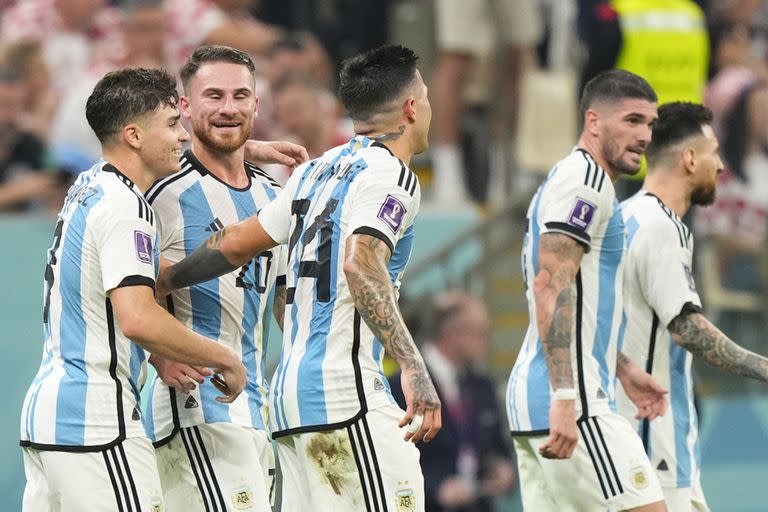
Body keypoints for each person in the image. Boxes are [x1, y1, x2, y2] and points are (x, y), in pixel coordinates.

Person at [156, 44, 442, 511]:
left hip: (287, 401)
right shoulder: (393, 175)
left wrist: (166, 281)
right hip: (347, 394)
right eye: (425, 96)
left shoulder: (312, 172)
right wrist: (411, 364)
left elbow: (232, 245)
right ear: (413, 108)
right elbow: (360, 263)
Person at [18, 67, 248, 511]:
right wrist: (221, 356)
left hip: (49, 417)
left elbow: (129, 278)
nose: (182, 136)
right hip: (95, 421)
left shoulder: (89, 186)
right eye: (171, 124)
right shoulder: (127, 207)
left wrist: (161, 353)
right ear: (134, 136)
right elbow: (137, 316)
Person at [506, 69, 669, 512]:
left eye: (650, 124)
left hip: (540, 398)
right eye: (632, 121)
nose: (645, 136)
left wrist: (620, 365)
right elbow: (549, 286)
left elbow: (571, 297)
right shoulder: (586, 184)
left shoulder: (569, 178)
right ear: (593, 121)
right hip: (571, 402)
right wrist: (565, 399)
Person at [143, 44, 290, 512]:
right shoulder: (160, 193)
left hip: (255, 408)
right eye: (214, 96)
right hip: (193, 407)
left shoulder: (274, 194)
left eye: (240, 95)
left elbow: (283, 301)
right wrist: (157, 354)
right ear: (185, 107)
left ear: (256, 105)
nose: (229, 108)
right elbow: (122, 284)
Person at [617, 101, 768, 511]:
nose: (720, 165)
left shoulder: (625, 216)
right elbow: (689, 330)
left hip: (625, 433)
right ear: (689, 158)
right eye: (714, 152)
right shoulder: (661, 227)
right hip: (652, 437)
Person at [389, 292, 516, 512]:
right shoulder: (404, 386)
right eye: (480, 334)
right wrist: (435, 488)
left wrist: (504, 470)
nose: (487, 342)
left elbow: (498, 447)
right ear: (453, 334)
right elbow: (392, 459)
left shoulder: (482, 386)